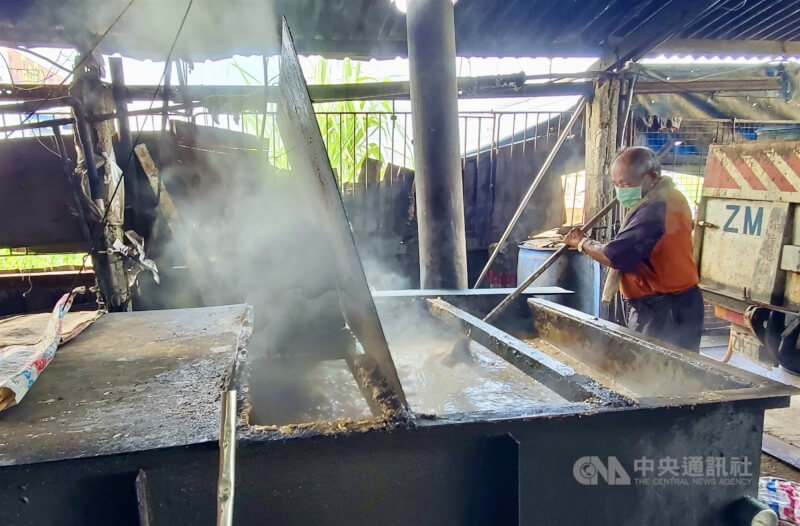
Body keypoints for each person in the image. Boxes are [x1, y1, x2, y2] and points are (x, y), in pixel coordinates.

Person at [562, 146, 703, 351]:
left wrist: (581, 242)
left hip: (665, 311)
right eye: (617, 184)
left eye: (626, 184)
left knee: (655, 371)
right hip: (677, 302)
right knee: (676, 371)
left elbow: (616, 255)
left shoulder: (656, 207)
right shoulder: (672, 195)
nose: (621, 190)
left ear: (652, 176)